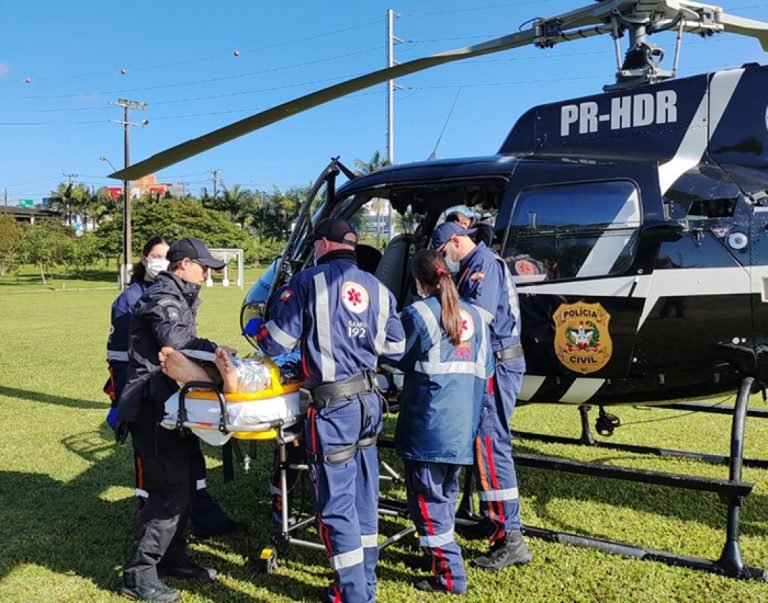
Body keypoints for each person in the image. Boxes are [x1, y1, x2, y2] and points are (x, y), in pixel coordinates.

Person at [254, 218, 405, 603]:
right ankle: (365, 582)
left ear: (321, 244)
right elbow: (396, 349)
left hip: (334, 408)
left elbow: (276, 343)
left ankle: (353, 595)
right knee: (364, 496)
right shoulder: (379, 288)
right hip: (369, 403)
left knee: (335, 503)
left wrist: (258, 326)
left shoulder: (308, 282)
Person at [116, 237, 234, 602]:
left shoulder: (179, 294)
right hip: (152, 405)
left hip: (173, 404)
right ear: (183, 264)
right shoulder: (163, 296)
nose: (207, 275)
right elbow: (177, 341)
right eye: (204, 268)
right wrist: (216, 351)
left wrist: (215, 352)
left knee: (186, 483)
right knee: (169, 489)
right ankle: (138, 574)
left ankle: (174, 559)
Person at [431, 220, 533, 571]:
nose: (444, 261)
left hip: (497, 364)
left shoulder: (483, 265)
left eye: (443, 253)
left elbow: (476, 318)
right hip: (491, 362)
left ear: (456, 241)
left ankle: (511, 538)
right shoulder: (473, 265)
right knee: (482, 445)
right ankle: (494, 520)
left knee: (491, 446)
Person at [393, 250, 492, 595]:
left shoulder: (418, 314)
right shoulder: (477, 316)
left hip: (428, 427)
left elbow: (395, 356)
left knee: (426, 502)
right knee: (445, 498)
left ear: (418, 282)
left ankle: (451, 574)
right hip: (462, 428)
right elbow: (485, 372)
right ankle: (435, 557)